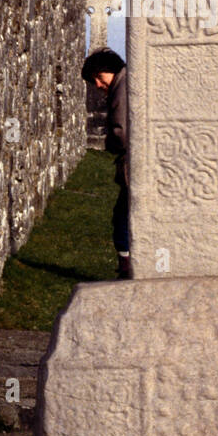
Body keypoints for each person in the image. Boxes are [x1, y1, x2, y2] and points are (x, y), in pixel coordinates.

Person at [81, 49, 129, 277]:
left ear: (111, 70)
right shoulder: (126, 83)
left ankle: (127, 267)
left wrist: (112, 143)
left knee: (123, 218)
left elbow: (122, 132)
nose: (98, 85)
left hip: (133, 162)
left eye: (99, 78)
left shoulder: (122, 89)